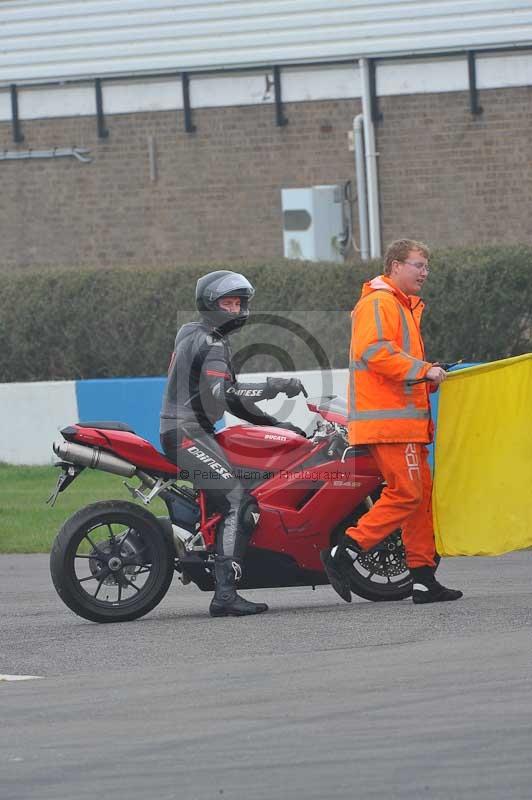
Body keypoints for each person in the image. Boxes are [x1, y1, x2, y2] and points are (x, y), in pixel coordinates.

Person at [321, 239, 463, 604]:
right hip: (391, 427)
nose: (425, 272)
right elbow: (376, 352)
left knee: (419, 499)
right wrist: (422, 370)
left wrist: (426, 377)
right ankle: (346, 551)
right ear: (395, 266)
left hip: (404, 426)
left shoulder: (400, 305)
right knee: (408, 494)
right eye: (418, 265)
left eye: (426, 267)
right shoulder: (380, 302)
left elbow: (392, 366)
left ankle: (421, 578)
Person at [160, 270, 306, 617]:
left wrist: (274, 425)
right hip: (188, 433)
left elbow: (234, 401)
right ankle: (225, 593)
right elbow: (223, 394)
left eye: (240, 302)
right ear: (210, 304)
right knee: (235, 500)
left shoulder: (194, 332)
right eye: (228, 302)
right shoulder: (211, 342)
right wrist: (274, 386)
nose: (237, 309)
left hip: (188, 431)